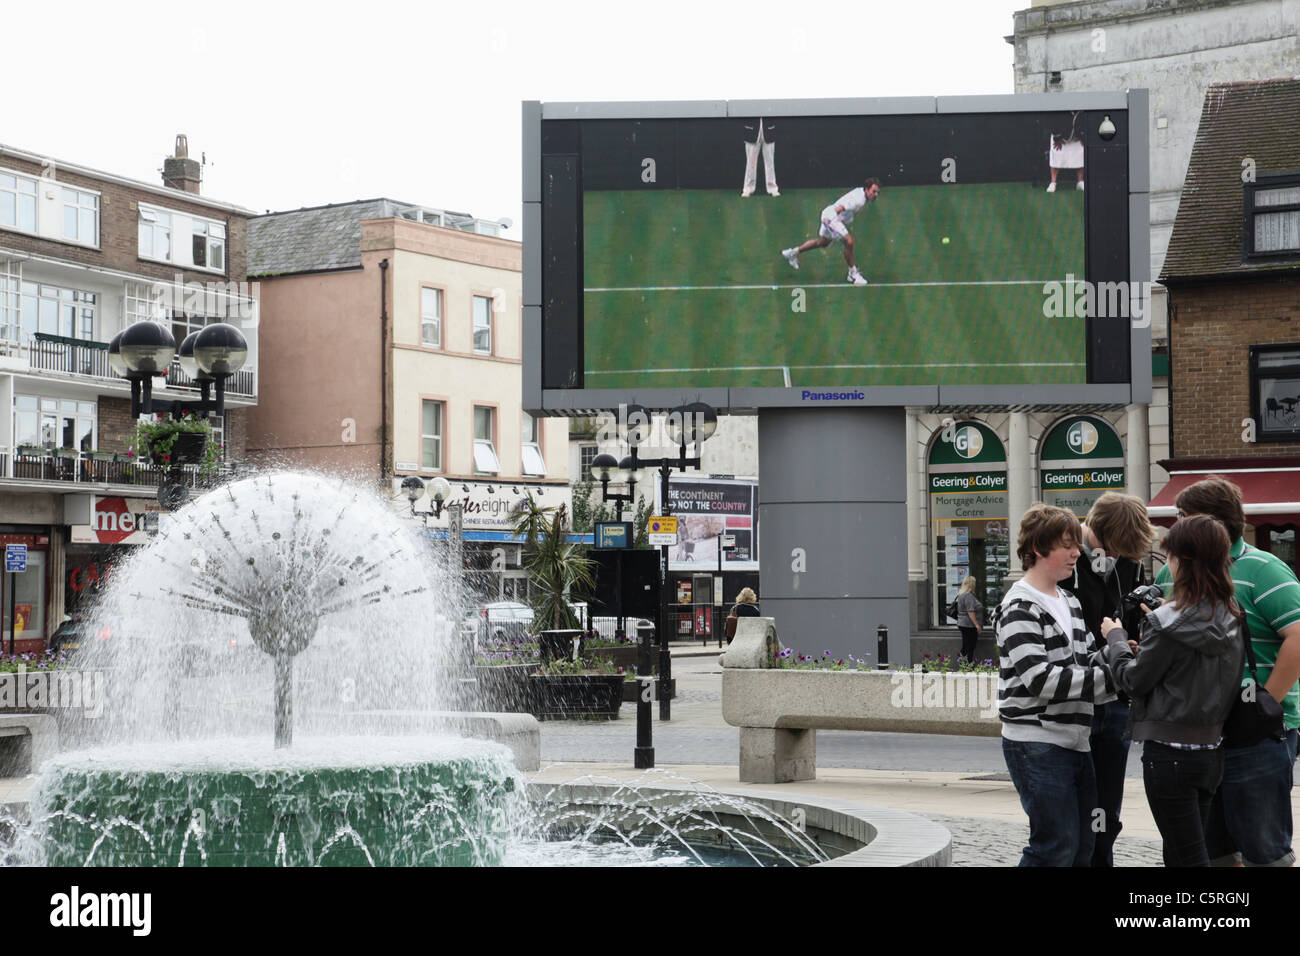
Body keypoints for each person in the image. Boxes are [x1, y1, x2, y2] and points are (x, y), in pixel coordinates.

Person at [1157, 476, 1300, 867]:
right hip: (1195, 733)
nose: (1175, 526)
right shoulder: (1171, 573)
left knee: (1263, 849)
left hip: (1255, 734)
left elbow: (1299, 637)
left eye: (1182, 516)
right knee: (1213, 850)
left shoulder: (1265, 570)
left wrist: (1266, 702)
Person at [1099, 515, 1245, 866]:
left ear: (1184, 562)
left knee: (1188, 856)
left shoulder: (1164, 623)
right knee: (1187, 851)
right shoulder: (1232, 615)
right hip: (1212, 749)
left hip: (1169, 754)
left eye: (1171, 557)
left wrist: (1116, 639)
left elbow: (1133, 681)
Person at [996, 503, 1115, 866]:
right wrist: (1116, 676)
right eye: (1067, 545)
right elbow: (1041, 681)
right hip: (1037, 745)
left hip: (1075, 742)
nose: (1077, 553)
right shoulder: (1018, 606)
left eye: (1075, 545)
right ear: (1038, 548)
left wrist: (1119, 654)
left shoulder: (1070, 601)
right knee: (1054, 847)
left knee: (1080, 848)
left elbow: (1087, 658)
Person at [1059, 492, 1156, 867]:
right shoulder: (1066, 556)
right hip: (1075, 693)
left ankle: (1102, 857)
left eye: (1124, 552)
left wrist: (1133, 640)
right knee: (1068, 805)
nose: (1116, 556)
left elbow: (1132, 617)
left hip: (1113, 696)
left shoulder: (1128, 562)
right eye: (1112, 548)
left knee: (1107, 803)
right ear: (1094, 530)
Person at [781, 178, 881, 286]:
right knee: (849, 242)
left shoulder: (861, 194)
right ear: (866, 189)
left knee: (823, 242)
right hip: (831, 217)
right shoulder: (859, 199)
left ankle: (793, 253)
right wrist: (829, 220)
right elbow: (841, 208)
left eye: (877, 192)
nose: (875, 195)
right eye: (873, 191)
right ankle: (853, 274)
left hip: (829, 214)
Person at [740, 119, 779, 198]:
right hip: (751, 130)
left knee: (770, 163)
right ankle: (748, 189)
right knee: (750, 163)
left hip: (769, 129)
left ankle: (773, 188)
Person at [955, 576, 983, 663]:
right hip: (969, 625)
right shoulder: (968, 596)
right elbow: (970, 611)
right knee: (970, 646)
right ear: (972, 584)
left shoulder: (961, 595)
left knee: (966, 645)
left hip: (963, 623)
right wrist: (977, 625)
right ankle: (967, 665)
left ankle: (964, 663)